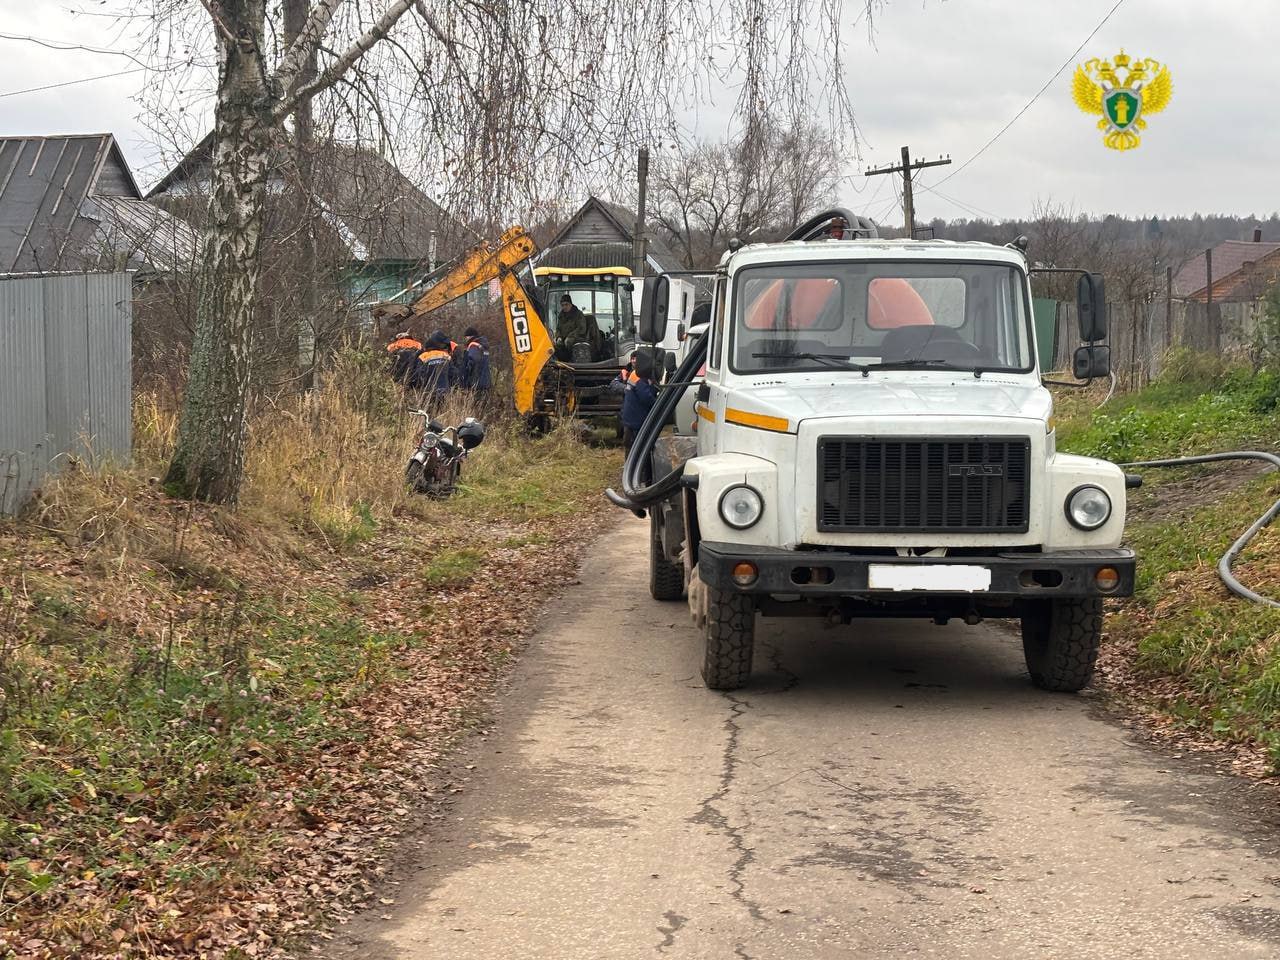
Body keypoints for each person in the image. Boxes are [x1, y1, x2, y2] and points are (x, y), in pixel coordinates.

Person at [618, 350, 657, 453]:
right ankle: (636, 468)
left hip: (629, 418)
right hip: (636, 420)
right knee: (637, 448)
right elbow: (646, 398)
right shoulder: (639, 377)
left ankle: (629, 466)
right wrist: (658, 404)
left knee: (629, 447)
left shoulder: (635, 374)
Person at [412, 332, 454, 397]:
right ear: (438, 343)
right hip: (445, 394)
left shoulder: (423, 357)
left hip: (428, 394)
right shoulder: (446, 356)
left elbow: (418, 377)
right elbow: (453, 375)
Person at [460, 326, 492, 392]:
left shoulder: (473, 345)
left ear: (469, 336)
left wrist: (467, 378)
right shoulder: (483, 346)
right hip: (486, 380)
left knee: (477, 401)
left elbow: (473, 361)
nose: (465, 339)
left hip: (476, 382)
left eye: (466, 337)